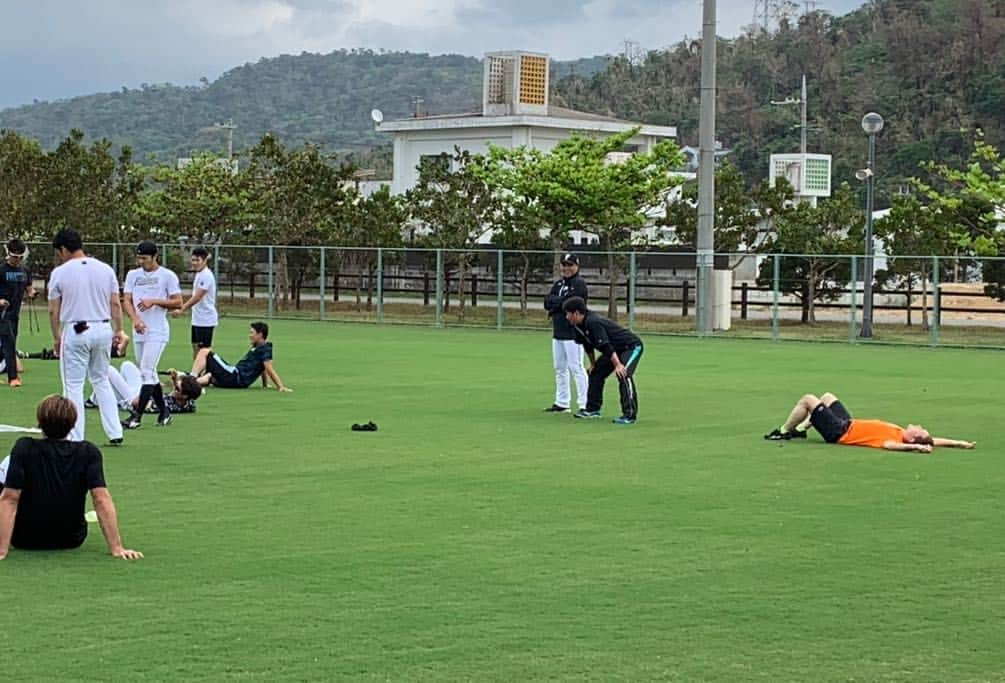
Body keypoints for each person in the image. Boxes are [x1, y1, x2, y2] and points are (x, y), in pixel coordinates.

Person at [0, 395, 142, 560]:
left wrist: (2, 550)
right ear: (73, 423)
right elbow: (101, 499)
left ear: (39, 421)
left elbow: (10, 498)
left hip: (24, 538)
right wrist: (117, 548)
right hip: (71, 538)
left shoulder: (25, 447)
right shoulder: (88, 452)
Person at [47, 229, 126, 445]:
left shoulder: (60, 273)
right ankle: (115, 431)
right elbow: (115, 303)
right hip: (102, 328)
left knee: (73, 384)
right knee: (101, 380)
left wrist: (56, 336)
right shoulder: (105, 269)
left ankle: (75, 435)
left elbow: (54, 310)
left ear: (63, 249)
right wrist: (119, 329)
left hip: (76, 329)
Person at [763, 392, 976, 452]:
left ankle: (783, 431)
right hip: (848, 422)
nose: (917, 425)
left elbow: (893, 446)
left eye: (919, 429)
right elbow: (934, 441)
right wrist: (959, 443)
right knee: (828, 397)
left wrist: (915, 448)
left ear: (914, 437)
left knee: (809, 399)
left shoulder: (893, 439)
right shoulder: (902, 431)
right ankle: (801, 429)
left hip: (839, 432)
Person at [121, 241, 182, 429]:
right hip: (140, 330)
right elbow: (127, 300)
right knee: (149, 373)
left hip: (157, 330)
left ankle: (137, 416)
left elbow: (178, 302)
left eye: (145, 258)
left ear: (155, 257)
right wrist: (135, 320)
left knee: (146, 371)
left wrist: (154, 301)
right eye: (139, 258)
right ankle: (164, 412)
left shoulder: (167, 276)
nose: (141, 262)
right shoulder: (133, 275)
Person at [562, 296, 644, 425]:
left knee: (623, 374)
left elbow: (606, 346)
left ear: (576, 313)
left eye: (568, 314)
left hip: (630, 346)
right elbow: (587, 345)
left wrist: (618, 365)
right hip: (614, 350)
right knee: (595, 373)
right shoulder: (577, 326)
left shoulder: (593, 322)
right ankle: (593, 410)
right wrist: (593, 364)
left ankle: (629, 415)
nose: (566, 317)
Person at [543, 253, 589, 414]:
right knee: (559, 368)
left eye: (570, 265)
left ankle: (585, 404)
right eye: (564, 264)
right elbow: (547, 302)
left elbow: (570, 303)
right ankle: (562, 402)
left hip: (573, 333)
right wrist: (558, 303)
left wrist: (557, 303)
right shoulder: (558, 284)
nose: (566, 268)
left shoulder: (579, 284)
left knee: (576, 367)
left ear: (577, 266)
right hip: (558, 331)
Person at [189, 321, 292, 392]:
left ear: (260, 335)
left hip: (235, 376)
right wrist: (265, 384)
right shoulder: (259, 348)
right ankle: (184, 383)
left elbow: (269, 368)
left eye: (252, 333)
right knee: (209, 376)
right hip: (235, 380)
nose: (249, 335)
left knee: (204, 351)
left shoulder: (265, 348)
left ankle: (191, 379)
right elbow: (263, 367)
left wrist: (280, 386)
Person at [88, 361, 202, 415]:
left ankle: (94, 400)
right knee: (127, 365)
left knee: (108, 370)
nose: (174, 388)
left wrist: (152, 386)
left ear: (184, 395)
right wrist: (173, 380)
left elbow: (138, 403)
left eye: (177, 389)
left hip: (133, 399)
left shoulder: (168, 406)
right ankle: (100, 397)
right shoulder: (189, 402)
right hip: (140, 390)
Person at [0, 239, 36, 387]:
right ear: (8, 254)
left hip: (15, 313)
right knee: (9, 343)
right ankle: (13, 378)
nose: (18, 260)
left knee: (5, 344)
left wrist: (32, 293)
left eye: (21, 257)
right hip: (2, 314)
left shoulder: (25, 270)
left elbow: (28, 287)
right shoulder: (1, 270)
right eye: (15, 257)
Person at [173, 247, 218, 359]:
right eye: (193, 260)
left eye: (197, 260)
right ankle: (196, 373)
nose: (194, 263)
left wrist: (182, 309)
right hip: (197, 318)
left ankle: (206, 374)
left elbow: (197, 297)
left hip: (206, 319)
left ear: (204, 260)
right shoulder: (199, 274)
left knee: (205, 351)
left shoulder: (206, 275)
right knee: (195, 347)